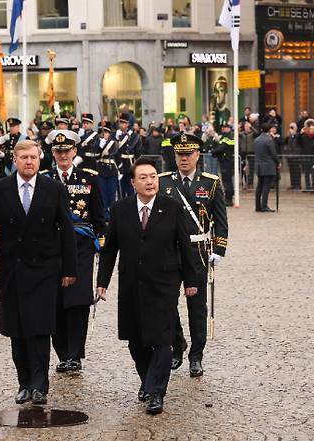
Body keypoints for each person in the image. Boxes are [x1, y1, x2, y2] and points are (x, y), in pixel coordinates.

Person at [96, 157, 199, 415]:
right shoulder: (120, 209)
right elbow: (110, 250)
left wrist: (191, 281)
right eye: (143, 177)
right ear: (133, 183)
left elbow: (185, 247)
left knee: (162, 338)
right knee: (136, 340)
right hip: (131, 282)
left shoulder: (171, 207)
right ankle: (147, 380)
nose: (150, 181)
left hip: (164, 282)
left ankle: (156, 392)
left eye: (153, 176)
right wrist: (102, 283)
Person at [0, 140, 77, 405]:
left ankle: (39, 386)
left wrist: (70, 268)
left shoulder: (53, 189)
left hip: (45, 268)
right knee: (17, 329)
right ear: (15, 159)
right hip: (13, 268)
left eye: (33, 157)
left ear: (40, 159)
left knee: (40, 329)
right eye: (24, 157)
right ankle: (23, 382)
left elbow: (67, 230)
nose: (29, 162)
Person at [158, 133, 229, 377]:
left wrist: (219, 248)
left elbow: (220, 219)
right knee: (167, 303)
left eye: (188, 154)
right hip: (169, 251)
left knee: (197, 307)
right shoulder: (163, 181)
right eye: (180, 154)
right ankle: (177, 346)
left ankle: (196, 355)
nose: (184, 159)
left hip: (197, 252)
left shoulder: (210, 183)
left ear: (198, 155)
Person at [45, 130, 106, 373]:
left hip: (81, 248)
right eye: (58, 151)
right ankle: (62, 354)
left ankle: (75, 354)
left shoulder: (88, 179)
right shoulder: (45, 179)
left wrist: (102, 241)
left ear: (74, 152)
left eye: (67, 151)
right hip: (51, 247)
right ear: (53, 153)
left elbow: (99, 215)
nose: (63, 155)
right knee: (56, 301)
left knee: (78, 301)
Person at [254, 123, 280, 212]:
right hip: (268, 166)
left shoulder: (256, 140)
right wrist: (278, 162)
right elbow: (273, 153)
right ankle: (264, 205)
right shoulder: (269, 140)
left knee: (259, 186)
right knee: (266, 186)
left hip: (259, 166)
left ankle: (258, 206)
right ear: (269, 130)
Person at [212, 124, 235, 206]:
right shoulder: (225, 137)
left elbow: (221, 148)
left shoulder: (229, 137)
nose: (223, 129)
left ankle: (229, 199)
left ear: (228, 128)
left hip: (227, 161)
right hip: (225, 161)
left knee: (227, 181)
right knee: (226, 181)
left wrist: (214, 151)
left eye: (225, 128)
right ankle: (228, 198)